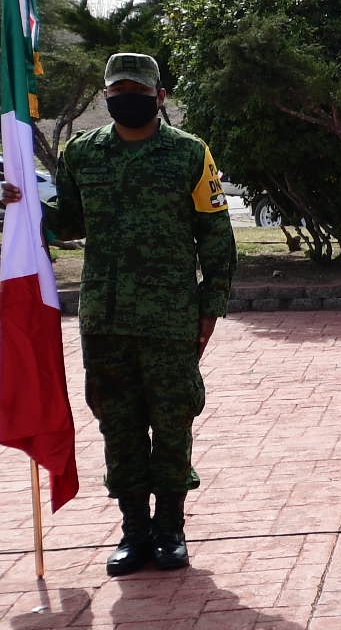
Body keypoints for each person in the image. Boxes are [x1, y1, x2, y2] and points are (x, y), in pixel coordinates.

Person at [4, 52, 236, 575]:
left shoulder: (188, 154)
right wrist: (21, 206)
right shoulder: (83, 154)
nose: (125, 95)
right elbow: (68, 225)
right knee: (119, 424)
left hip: (170, 316)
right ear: (107, 95)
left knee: (173, 421)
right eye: (117, 89)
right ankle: (134, 531)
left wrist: (211, 307)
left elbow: (216, 237)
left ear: (158, 95)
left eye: (137, 87)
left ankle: (171, 527)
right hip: (104, 318)